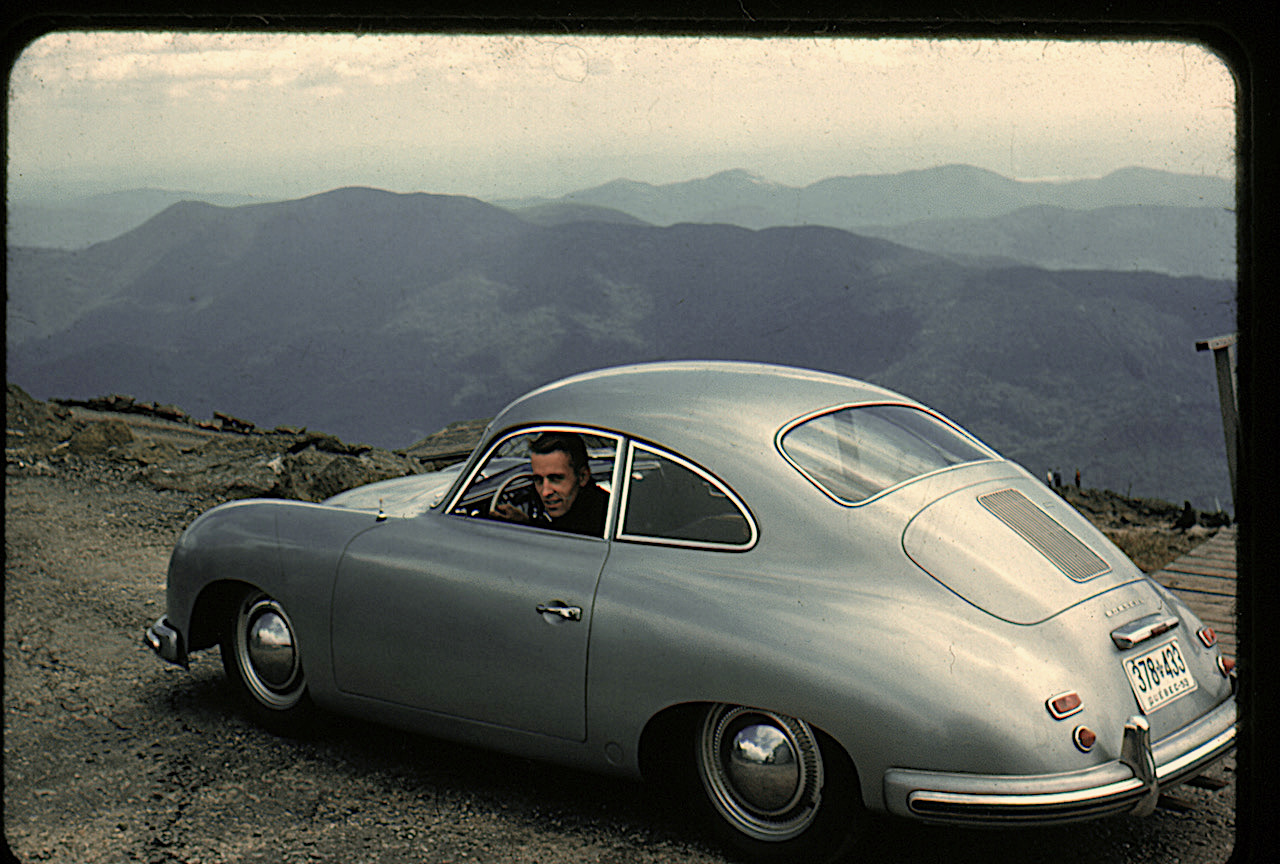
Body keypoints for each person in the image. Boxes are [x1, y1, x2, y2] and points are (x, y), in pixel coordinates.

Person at [494, 431, 609, 537]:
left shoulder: (601, 522)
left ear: (583, 476)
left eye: (556, 479)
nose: (545, 492)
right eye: (538, 480)